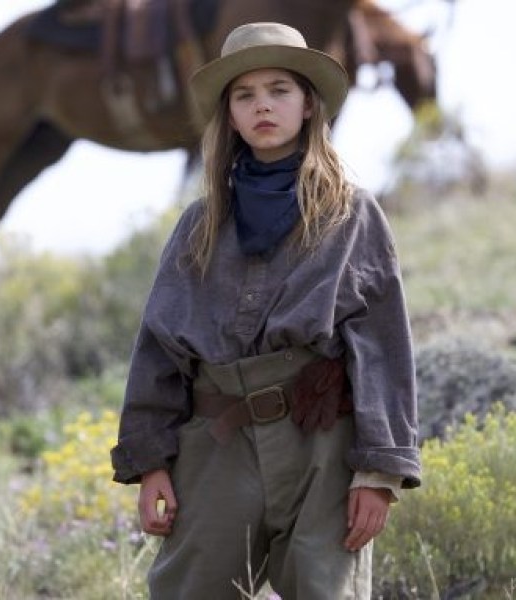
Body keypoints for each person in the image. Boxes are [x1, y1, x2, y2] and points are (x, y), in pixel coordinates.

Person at [110, 22, 421, 599]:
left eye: (279, 89)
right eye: (245, 95)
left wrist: (379, 470)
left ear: (308, 105)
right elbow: (159, 348)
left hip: (321, 442)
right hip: (217, 443)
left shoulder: (351, 214)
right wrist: (151, 461)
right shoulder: (199, 227)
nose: (263, 107)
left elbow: (381, 345)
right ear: (229, 116)